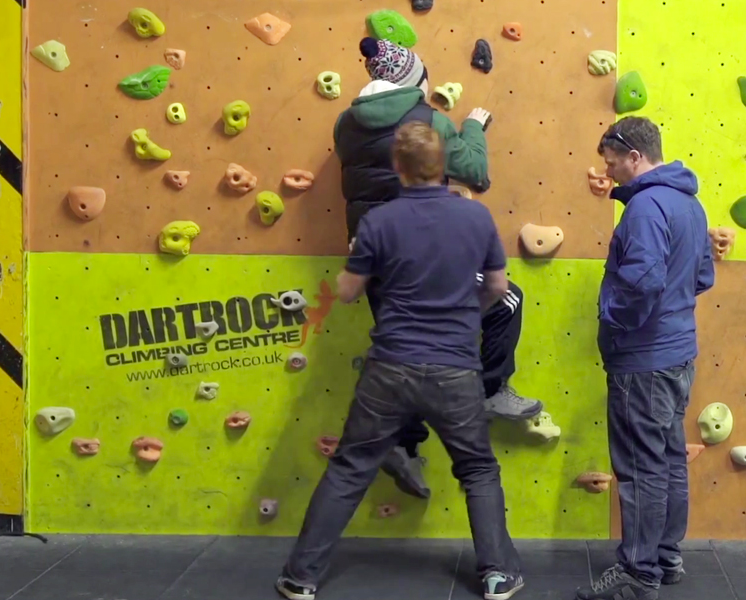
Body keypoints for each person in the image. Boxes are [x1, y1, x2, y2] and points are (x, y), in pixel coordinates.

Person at [276, 122, 525, 600]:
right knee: (477, 470)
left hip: (390, 366)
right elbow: (497, 287)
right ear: (443, 166)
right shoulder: (477, 220)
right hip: (454, 368)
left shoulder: (379, 221)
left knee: (350, 468)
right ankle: (498, 575)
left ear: (398, 168)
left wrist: (358, 262)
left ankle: (300, 578)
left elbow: (347, 294)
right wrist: (462, 319)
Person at [335, 38, 544, 499]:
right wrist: (472, 126)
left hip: (373, 258)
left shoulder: (344, 124)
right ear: (414, 81)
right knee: (507, 300)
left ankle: (404, 446)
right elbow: (476, 173)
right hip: (426, 250)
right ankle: (491, 388)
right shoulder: (428, 121)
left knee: (405, 348)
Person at [576, 117, 714, 600]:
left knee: (640, 466)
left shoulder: (644, 209)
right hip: (678, 352)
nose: (607, 169)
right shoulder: (689, 204)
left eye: (611, 160)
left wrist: (612, 317)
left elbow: (642, 283)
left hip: (643, 359)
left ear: (634, 156)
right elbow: (702, 278)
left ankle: (638, 573)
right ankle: (666, 557)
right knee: (669, 458)